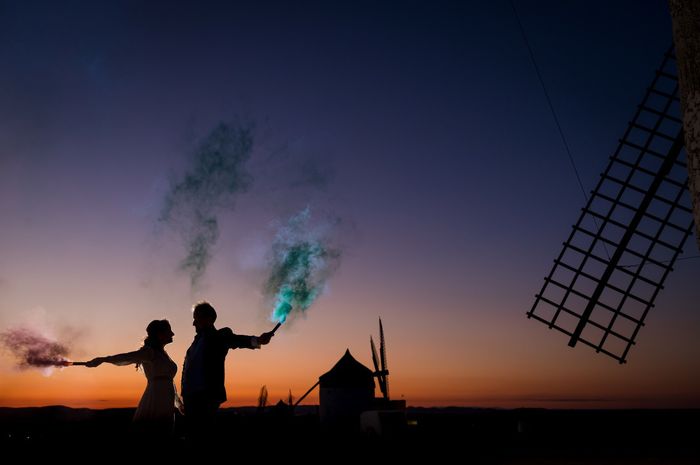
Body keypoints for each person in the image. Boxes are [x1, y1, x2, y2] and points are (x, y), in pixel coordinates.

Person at [181, 301, 274, 443]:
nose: (193, 323)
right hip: (189, 397)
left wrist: (257, 340)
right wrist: (184, 395)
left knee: (203, 436)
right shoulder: (194, 343)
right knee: (192, 435)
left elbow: (235, 340)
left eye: (196, 318)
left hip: (206, 396)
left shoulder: (219, 335)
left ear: (209, 319)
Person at [85, 319, 182, 440]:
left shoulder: (163, 354)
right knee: (152, 433)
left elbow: (169, 381)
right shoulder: (149, 352)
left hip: (166, 399)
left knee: (164, 431)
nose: (173, 334)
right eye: (169, 331)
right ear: (160, 334)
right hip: (156, 396)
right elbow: (127, 357)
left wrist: (178, 402)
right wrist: (103, 359)